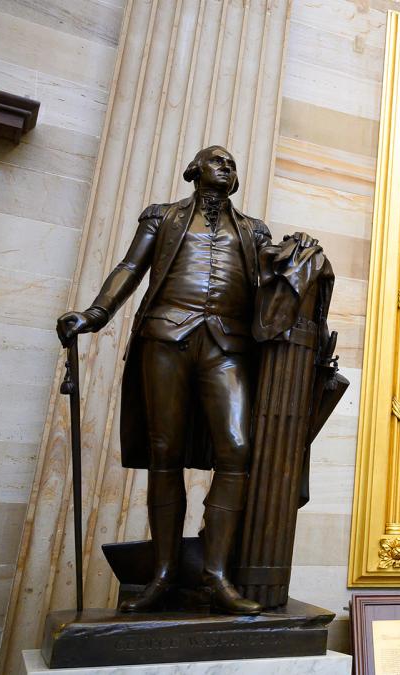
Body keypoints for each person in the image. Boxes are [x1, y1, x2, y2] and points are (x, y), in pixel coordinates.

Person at [55, 146, 318, 615]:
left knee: (237, 449)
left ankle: (215, 574)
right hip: (166, 335)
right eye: (218, 161)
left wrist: (299, 253)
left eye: (233, 164)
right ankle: (163, 572)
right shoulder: (162, 216)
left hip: (227, 344)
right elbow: (131, 268)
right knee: (165, 452)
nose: (228, 168)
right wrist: (94, 315)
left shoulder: (254, 229)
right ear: (194, 170)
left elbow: (273, 280)